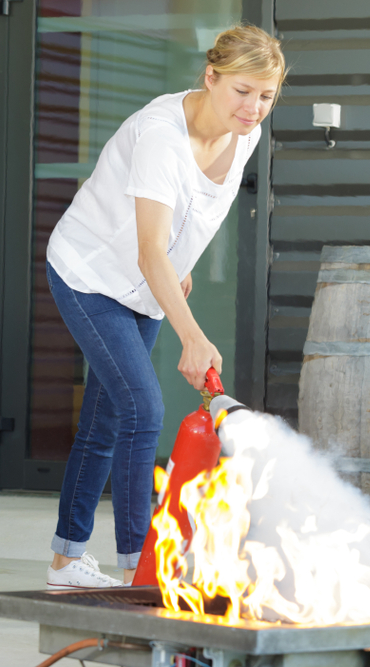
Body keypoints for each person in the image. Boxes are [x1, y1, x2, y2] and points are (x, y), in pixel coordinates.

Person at [43, 24, 286, 590]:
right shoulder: (160, 136)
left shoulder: (242, 134)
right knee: (142, 411)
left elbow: (184, 221)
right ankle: (141, 573)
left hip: (150, 286)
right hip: (90, 275)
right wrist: (192, 335)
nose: (253, 108)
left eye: (266, 96)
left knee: (106, 419)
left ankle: (66, 561)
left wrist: (182, 263)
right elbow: (147, 248)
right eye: (242, 91)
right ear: (211, 77)